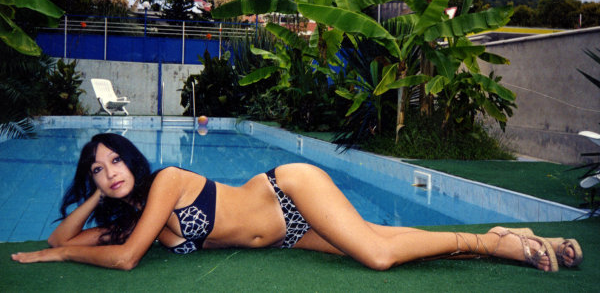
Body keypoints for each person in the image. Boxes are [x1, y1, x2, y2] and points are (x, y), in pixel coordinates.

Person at [11, 133, 582, 271]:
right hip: (287, 235)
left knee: (377, 256)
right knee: (387, 240)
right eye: (97, 169)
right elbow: (63, 236)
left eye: (114, 162)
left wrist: (61, 257)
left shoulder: (164, 182)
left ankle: (493, 243)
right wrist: (91, 197)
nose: (110, 173)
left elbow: (125, 259)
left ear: (132, 161)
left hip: (287, 190)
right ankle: (517, 240)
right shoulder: (132, 215)